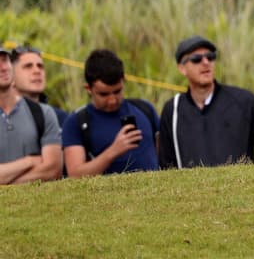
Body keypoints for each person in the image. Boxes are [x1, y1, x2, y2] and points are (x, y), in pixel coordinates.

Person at [157, 36, 254, 169]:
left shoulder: (245, 101)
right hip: (191, 189)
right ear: (182, 68)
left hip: (241, 187)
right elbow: (167, 166)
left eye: (210, 57)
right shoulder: (173, 109)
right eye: (196, 59)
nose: (205, 62)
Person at [62, 48, 159, 177]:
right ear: (88, 88)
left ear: (123, 81)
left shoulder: (144, 109)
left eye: (117, 91)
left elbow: (164, 155)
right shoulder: (76, 122)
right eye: (104, 94)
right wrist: (113, 151)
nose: (112, 100)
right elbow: (75, 175)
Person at [0, 44, 63, 184]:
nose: (3, 67)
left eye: (5, 60)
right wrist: (30, 161)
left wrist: (5, 181)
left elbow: (53, 170)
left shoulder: (44, 113)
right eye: (28, 66)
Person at [10, 45, 69, 128]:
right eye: (28, 66)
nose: (37, 71)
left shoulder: (62, 120)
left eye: (40, 66)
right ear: (11, 77)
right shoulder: (4, 120)